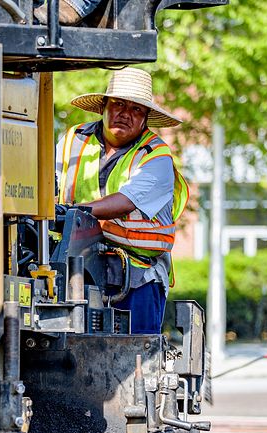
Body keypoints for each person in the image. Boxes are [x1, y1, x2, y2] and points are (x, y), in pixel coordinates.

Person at [54, 67, 189, 334]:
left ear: (145, 119)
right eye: (118, 104)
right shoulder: (72, 140)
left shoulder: (156, 156)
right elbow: (47, 183)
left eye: (136, 109)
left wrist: (72, 212)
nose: (125, 113)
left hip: (136, 277)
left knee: (135, 358)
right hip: (75, 269)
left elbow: (126, 200)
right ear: (103, 107)